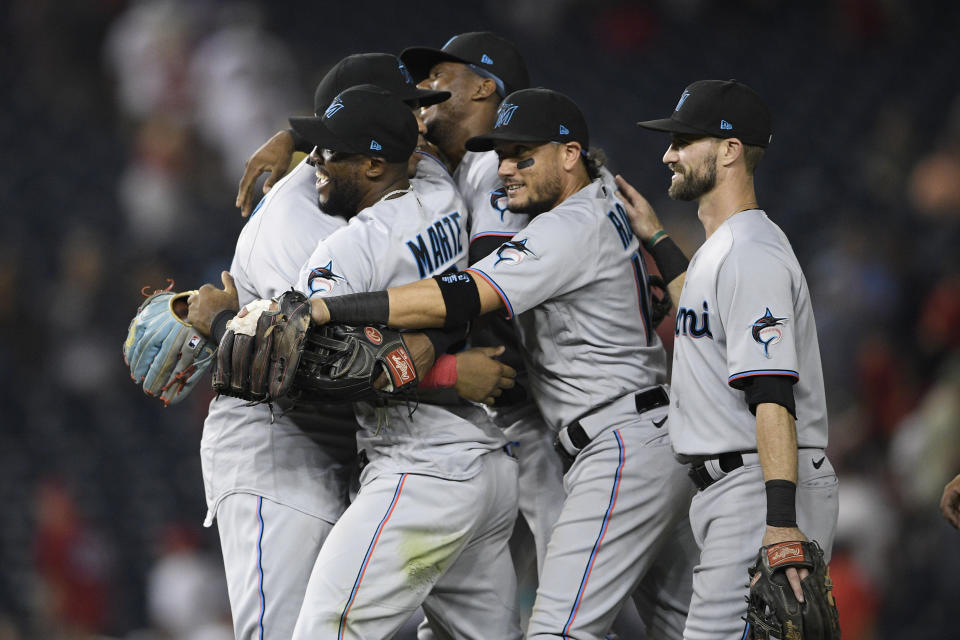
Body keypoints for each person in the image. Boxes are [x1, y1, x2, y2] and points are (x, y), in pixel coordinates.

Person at [307, 87, 697, 640]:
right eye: (503, 155)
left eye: (523, 156)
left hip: (621, 449)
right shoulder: (604, 190)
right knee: (692, 628)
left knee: (556, 632)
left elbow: (460, 295)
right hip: (654, 433)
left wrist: (327, 306)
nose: (505, 169)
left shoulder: (565, 230)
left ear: (569, 154)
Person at [185, 53, 510, 639]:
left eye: (418, 108)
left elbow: (323, 356)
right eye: (410, 108)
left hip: (401, 454)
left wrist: (218, 321)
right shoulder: (402, 189)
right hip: (288, 446)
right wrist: (445, 364)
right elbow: (301, 365)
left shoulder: (368, 222)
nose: (423, 121)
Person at [617, 79, 840, 639]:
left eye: (684, 140)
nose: (668, 153)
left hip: (759, 486)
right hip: (737, 485)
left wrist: (782, 523)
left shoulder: (749, 254)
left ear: (730, 149)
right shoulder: (727, 248)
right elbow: (706, 305)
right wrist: (657, 237)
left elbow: (773, 394)